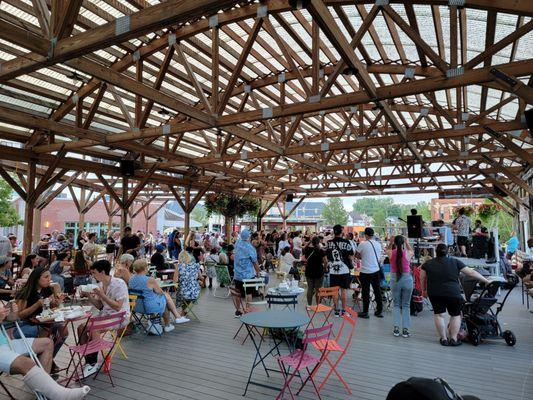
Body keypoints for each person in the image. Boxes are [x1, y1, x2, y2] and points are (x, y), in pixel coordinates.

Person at [0, 301, 90, 399]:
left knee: (47, 343)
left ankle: (45, 389)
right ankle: (59, 395)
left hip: (5, 343)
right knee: (26, 363)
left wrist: (11, 312)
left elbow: (11, 319)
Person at [420, 244, 490, 346]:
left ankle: (443, 339)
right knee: (455, 315)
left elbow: (422, 277)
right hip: (453, 292)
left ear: (436, 252)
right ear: (447, 252)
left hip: (435, 293)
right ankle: (453, 339)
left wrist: (424, 290)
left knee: (439, 315)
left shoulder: (427, 264)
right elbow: (471, 273)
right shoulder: (455, 262)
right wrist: (485, 280)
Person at [78, 259, 131, 377]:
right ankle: (89, 360)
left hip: (120, 316)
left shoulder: (119, 283)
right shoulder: (100, 285)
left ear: (102, 272)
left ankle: (94, 363)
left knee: (94, 328)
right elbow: (101, 306)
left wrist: (101, 295)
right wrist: (88, 296)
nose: (92, 275)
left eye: (94, 273)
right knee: (81, 328)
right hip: (106, 315)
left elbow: (117, 307)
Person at [14, 267, 68, 356]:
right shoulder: (26, 292)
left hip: (43, 322)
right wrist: (37, 305)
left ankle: (49, 357)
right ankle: (41, 358)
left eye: (50, 277)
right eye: (46, 277)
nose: (49, 279)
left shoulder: (46, 290)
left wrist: (56, 302)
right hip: (25, 325)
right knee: (46, 331)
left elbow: (50, 307)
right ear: (36, 279)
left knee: (63, 329)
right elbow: (19, 315)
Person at [129, 260, 189, 336]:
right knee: (165, 296)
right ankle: (174, 319)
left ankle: (171, 322)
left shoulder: (131, 279)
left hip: (135, 307)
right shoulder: (149, 279)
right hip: (148, 307)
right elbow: (160, 292)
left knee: (164, 299)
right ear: (145, 268)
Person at [326, 225, 354, 317]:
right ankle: (344, 310)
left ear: (334, 232)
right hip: (344, 270)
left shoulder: (329, 243)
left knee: (335, 291)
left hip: (333, 270)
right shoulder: (346, 242)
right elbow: (351, 256)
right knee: (343, 290)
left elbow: (327, 256)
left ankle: (336, 310)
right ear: (341, 232)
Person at [388, 235, 414, 338]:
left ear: (395, 242)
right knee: (406, 305)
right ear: (403, 243)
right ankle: (406, 330)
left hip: (395, 280)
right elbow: (411, 250)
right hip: (407, 279)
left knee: (396, 305)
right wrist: (407, 242)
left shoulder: (391, 253)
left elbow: (388, 249)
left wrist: (391, 242)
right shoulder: (407, 253)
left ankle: (396, 329)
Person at [231, 230, 260, 317]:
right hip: (248, 275)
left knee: (238, 292)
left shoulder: (237, 243)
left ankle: (238, 311)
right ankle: (248, 311)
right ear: (249, 237)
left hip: (238, 274)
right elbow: (255, 262)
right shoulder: (250, 248)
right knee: (249, 293)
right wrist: (258, 272)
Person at [356, 227, 383, 319]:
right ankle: (379, 311)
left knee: (365, 291)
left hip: (365, 271)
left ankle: (365, 312)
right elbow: (379, 258)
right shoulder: (378, 244)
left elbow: (357, 256)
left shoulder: (362, 244)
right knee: (377, 290)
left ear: (365, 235)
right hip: (376, 270)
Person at [176, 248, 204, 317]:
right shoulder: (196, 265)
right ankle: (183, 311)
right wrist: (198, 281)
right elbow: (201, 277)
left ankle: (181, 312)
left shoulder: (178, 266)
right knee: (188, 294)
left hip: (182, 293)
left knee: (181, 292)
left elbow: (175, 280)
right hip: (194, 293)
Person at [302, 236, 327, 306]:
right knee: (318, 289)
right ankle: (318, 305)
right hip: (319, 271)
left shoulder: (307, 249)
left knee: (310, 288)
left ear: (312, 242)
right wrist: (325, 268)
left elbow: (304, 247)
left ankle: (309, 305)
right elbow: (326, 261)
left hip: (309, 270)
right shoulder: (321, 250)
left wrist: (309, 241)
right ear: (319, 242)